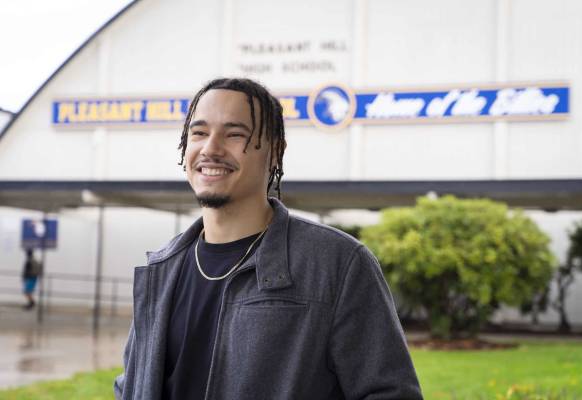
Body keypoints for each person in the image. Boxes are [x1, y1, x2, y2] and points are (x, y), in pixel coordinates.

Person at [114, 78, 422, 400]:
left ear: (275, 151)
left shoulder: (337, 264)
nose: (211, 149)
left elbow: (390, 393)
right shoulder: (161, 269)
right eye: (199, 133)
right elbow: (131, 384)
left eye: (235, 134)